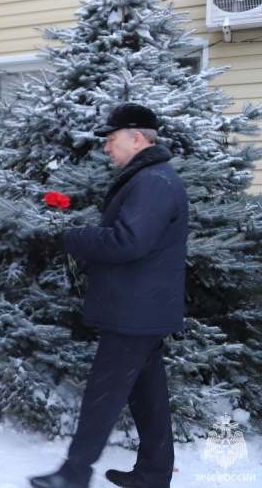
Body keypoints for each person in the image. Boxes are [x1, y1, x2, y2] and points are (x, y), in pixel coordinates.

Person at [29, 103, 189, 488]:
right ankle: (153, 474)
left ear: (137, 138)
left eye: (111, 139)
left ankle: (74, 473)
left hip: (135, 311)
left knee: (103, 392)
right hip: (141, 308)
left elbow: (128, 241)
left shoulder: (152, 181)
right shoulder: (151, 177)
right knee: (147, 395)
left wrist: (73, 237)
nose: (106, 148)